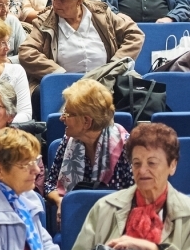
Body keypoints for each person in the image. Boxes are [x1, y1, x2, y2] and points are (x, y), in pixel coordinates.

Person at [69, 123, 190, 250]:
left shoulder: (188, 212)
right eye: (136, 163)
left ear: (173, 165)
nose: (142, 170)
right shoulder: (105, 207)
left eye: (152, 163)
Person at [19, 0, 144, 90]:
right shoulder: (45, 21)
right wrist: (58, 74)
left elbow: (134, 34)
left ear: (79, 0)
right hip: (64, 87)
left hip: (107, 83)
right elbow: (27, 52)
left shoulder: (101, 13)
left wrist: (115, 65)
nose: (56, 4)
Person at [45, 80, 134, 227]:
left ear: (86, 121)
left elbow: (137, 197)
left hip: (117, 224)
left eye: (67, 113)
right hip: (76, 220)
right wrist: (61, 201)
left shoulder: (127, 147)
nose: (61, 118)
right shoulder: (68, 140)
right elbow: (50, 184)